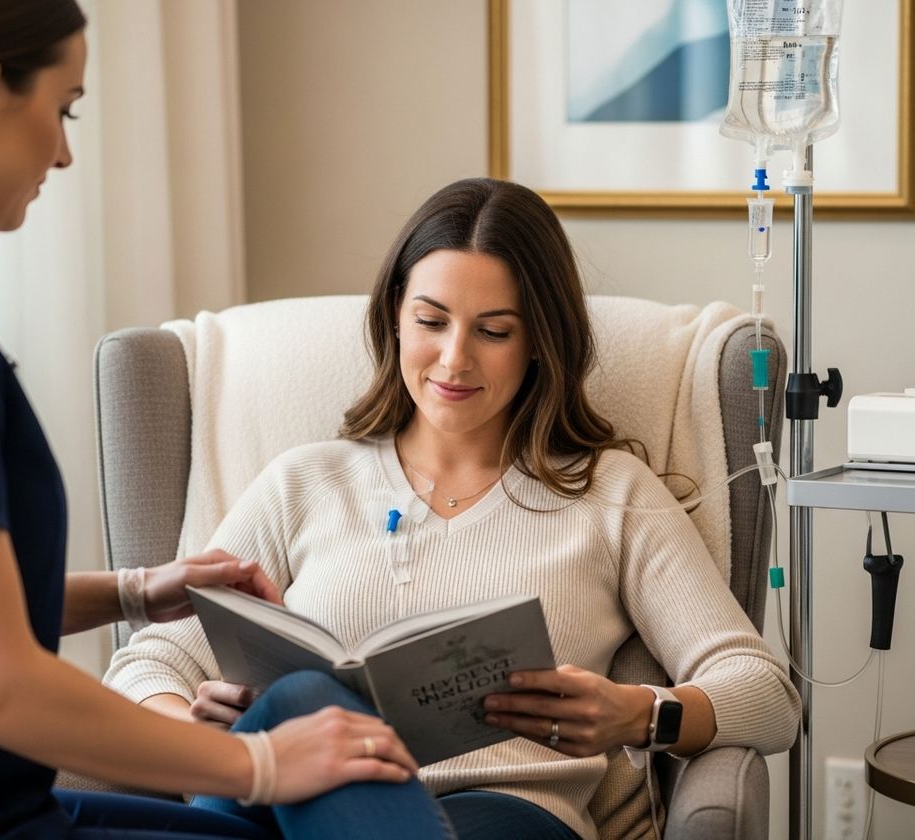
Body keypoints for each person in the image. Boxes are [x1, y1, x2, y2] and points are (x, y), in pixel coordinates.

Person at [0, 1, 456, 838]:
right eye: (63, 108)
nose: (63, 149)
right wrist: (262, 764)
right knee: (297, 756)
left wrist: (143, 589)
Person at [104, 177, 802, 839]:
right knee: (297, 708)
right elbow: (147, 662)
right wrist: (197, 731)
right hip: (292, 802)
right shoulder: (304, 482)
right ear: (396, 320)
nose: (454, 359)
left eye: (493, 331)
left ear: (538, 344)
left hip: (499, 814)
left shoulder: (610, 495)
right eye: (431, 321)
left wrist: (639, 716)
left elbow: (767, 694)